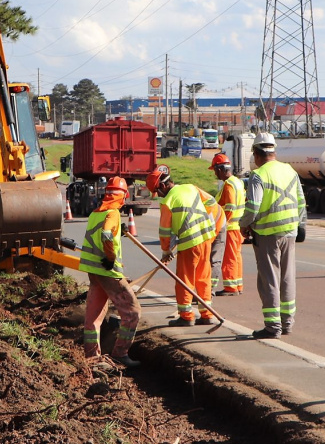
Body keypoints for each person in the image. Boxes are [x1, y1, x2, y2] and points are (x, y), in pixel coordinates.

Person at [238, 133, 306, 339]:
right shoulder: (290, 171)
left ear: (257, 154)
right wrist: (294, 224)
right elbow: (301, 203)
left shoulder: (259, 175)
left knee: (269, 280)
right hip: (290, 232)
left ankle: (272, 326)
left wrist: (244, 224)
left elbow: (253, 206)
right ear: (274, 152)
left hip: (267, 233)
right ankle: (287, 323)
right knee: (287, 278)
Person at [77, 176, 143, 368]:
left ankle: (92, 358)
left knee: (93, 317)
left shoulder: (96, 213)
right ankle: (120, 354)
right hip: (107, 272)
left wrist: (118, 231)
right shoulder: (113, 213)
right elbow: (106, 234)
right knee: (133, 312)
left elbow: (101, 233)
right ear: (123, 197)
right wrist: (111, 258)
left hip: (94, 272)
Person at [145, 165, 217, 326]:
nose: (159, 195)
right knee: (203, 277)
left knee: (185, 280)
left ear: (163, 186)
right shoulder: (191, 187)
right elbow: (211, 202)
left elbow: (164, 232)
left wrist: (166, 251)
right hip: (206, 238)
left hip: (190, 242)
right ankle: (207, 314)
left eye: (158, 191)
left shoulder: (168, 201)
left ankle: (186, 316)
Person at [209, 152, 246, 296]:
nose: (215, 175)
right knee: (236, 257)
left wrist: (221, 224)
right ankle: (237, 285)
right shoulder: (238, 182)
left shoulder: (229, 185)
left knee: (229, 258)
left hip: (230, 227)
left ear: (220, 170)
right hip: (237, 227)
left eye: (215, 171)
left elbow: (230, 207)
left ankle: (231, 287)